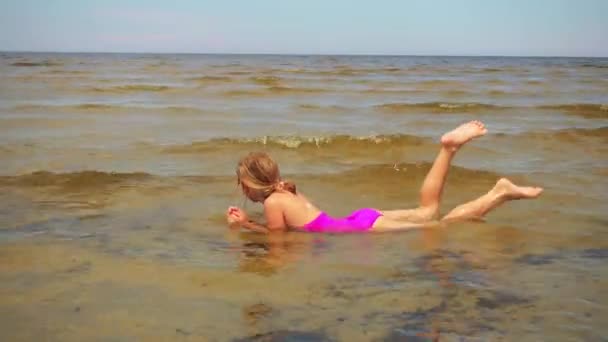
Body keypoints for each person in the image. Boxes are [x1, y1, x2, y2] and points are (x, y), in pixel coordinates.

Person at [226, 121, 543, 233]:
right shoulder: (287, 191)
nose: (241, 189)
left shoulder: (272, 203)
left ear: (251, 183)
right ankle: (451, 153)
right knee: (428, 212)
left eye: (241, 183)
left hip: (359, 230)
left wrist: (245, 226)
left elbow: (278, 241)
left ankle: (493, 189)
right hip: (359, 219)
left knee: (439, 224)